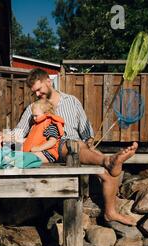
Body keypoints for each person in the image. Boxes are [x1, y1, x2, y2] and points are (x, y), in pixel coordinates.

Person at [12, 68, 138, 226]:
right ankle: (108, 160)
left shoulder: (72, 101)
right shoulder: (35, 108)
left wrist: (90, 140)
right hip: (55, 147)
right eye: (34, 92)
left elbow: (86, 132)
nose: (37, 94)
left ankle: (110, 212)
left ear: (48, 82)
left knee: (107, 172)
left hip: (80, 145)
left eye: (39, 89)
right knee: (79, 147)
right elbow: (18, 132)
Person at [22, 99, 64, 163]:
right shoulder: (35, 126)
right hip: (34, 152)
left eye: (36, 116)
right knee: (20, 156)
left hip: (47, 153)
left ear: (46, 113)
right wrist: (21, 140)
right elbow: (30, 139)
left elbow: (52, 141)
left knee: (27, 158)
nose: (34, 118)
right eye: (33, 116)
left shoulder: (49, 124)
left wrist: (39, 148)